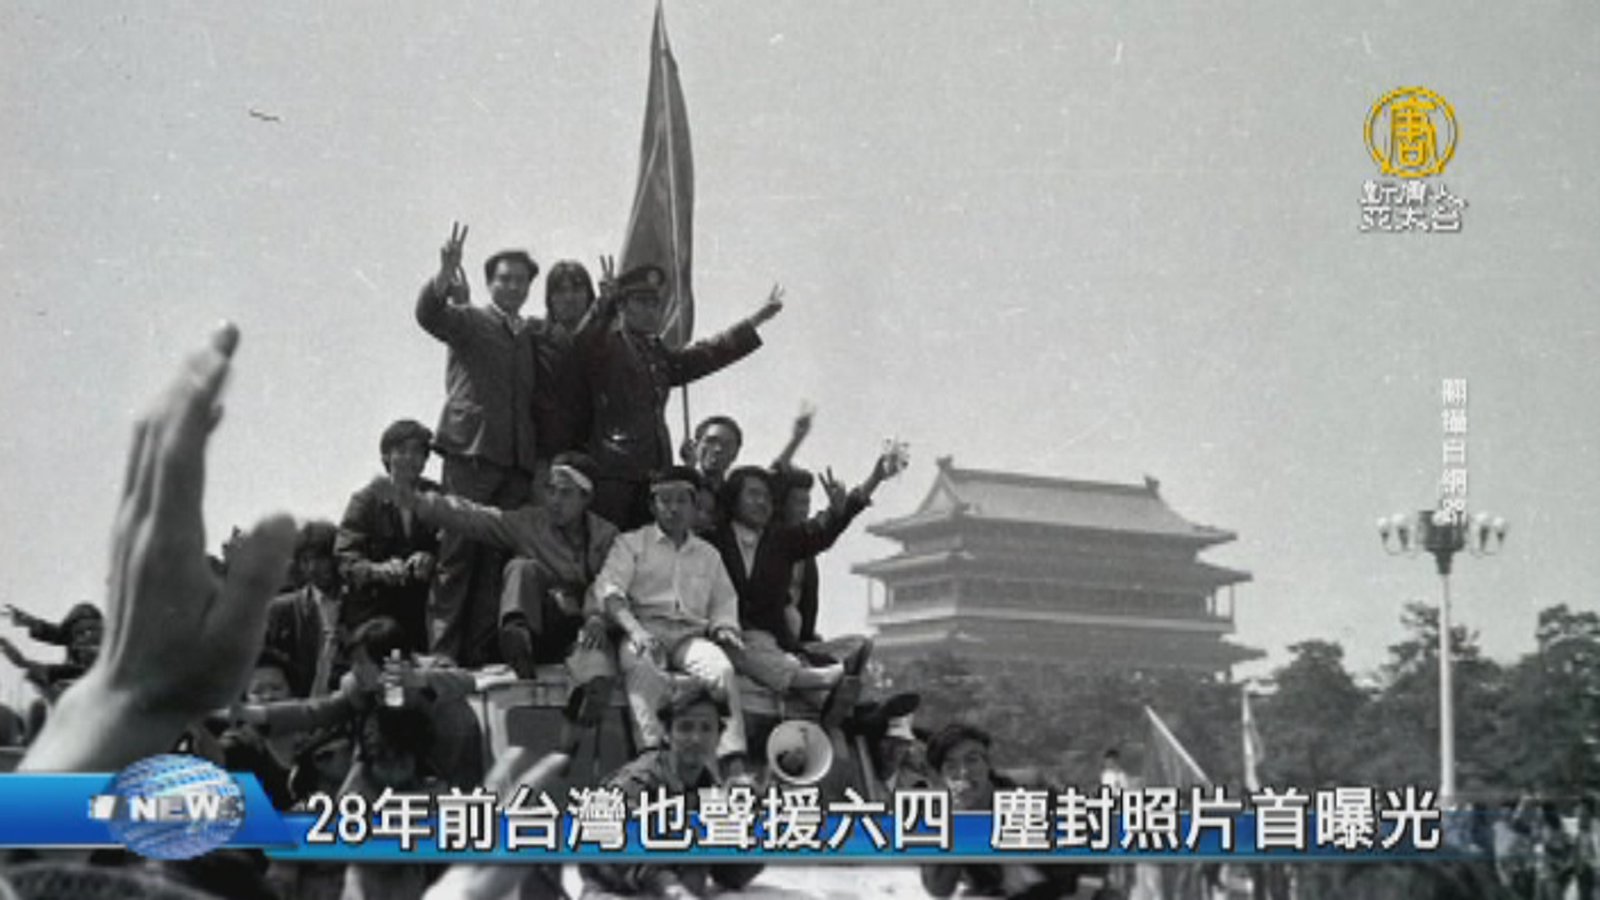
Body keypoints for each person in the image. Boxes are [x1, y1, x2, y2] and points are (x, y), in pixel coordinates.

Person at [377, 451, 620, 718]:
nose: (554, 501)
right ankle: (516, 635)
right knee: (521, 567)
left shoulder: (606, 536)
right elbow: (477, 518)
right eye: (550, 490)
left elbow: (612, 583)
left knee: (595, 681)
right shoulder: (530, 523)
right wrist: (420, 502)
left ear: (586, 498)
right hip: (540, 619)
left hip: (582, 626)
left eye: (565, 493)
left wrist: (597, 618)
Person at [415, 222, 541, 667]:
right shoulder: (469, 318)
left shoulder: (528, 333)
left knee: (493, 563)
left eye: (521, 280)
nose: (513, 286)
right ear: (490, 284)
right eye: (504, 279)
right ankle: (442, 656)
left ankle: (479, 655)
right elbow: (430, 315)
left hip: (514, 463)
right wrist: (444, 274)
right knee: (457, 557)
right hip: (471, 453)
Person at [578, 261, 784, 530]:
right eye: (641, 302)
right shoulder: (608, 346)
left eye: (655, 303)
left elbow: (706, 354)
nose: (651, 310)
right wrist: (602, 306)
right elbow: (581, 344)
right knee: (610, 544)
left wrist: (756, 320)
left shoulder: (655, 353)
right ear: (623, 306)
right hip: (614, 472)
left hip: (653, 473)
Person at [709, 453, 901, 724]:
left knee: (859, 644)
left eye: (767, 497)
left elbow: (823, 528)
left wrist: (873, 481)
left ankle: (847, 705)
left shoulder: (780, 540)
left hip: (778, 641)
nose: (762, 502)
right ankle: (832, 690)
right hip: (733, 636)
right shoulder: (713, 540)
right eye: (753, 494)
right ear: (734, 498)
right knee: (746, 650)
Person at [593, 467, 751, 780]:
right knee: (641, 666)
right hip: (644, 627)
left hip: (690, 635)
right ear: (652, 506)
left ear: (694, 506)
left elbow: (723, 602)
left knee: (721, 669)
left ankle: (732, 762)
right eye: (665, 500)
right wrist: (636, 632)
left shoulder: (709, 554)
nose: (673, 508)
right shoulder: (631, 544)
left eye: (681, 500)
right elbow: (610, 592)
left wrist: (724, 628)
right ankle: (652, 756)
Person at [577, 687, 762, 899]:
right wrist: (665, 883)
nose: (696, 738)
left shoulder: (709, 792)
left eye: (706, 728)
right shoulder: (636, 782)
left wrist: (751, 820)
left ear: (718, 736)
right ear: (666, 734)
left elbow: (731, 875)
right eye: (685, 728)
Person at [920, 724, 1081, 899]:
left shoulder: (1032, 791)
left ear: (987, 764)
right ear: (941, 777)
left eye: (972, 760)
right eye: (951, 766)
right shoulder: (941, 817)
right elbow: (939, 889)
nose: (964, 772)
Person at [336, 419, 440, 652]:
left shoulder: (438, 498)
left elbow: (455, 548)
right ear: (386, 456)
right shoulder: (365, 501)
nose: (409, 458)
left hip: (424, 611)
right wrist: (377, 570)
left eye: (417, 452)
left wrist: (431, 559)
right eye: (401, 451)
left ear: (425, 459)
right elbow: (345, 559)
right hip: (375, 613)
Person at [264, 520, 348, 698]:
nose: (312, 568)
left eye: (320, 559)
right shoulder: (282, 611)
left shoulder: (358, 603)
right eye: (305, 560)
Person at [531, 260, 601, 471]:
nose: (569, 298)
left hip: (597, 457)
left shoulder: (607, 341)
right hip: (547, 457)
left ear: (589, 296)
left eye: (577, 290)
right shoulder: (533, 337)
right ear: (549, 299)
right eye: (560, 291)